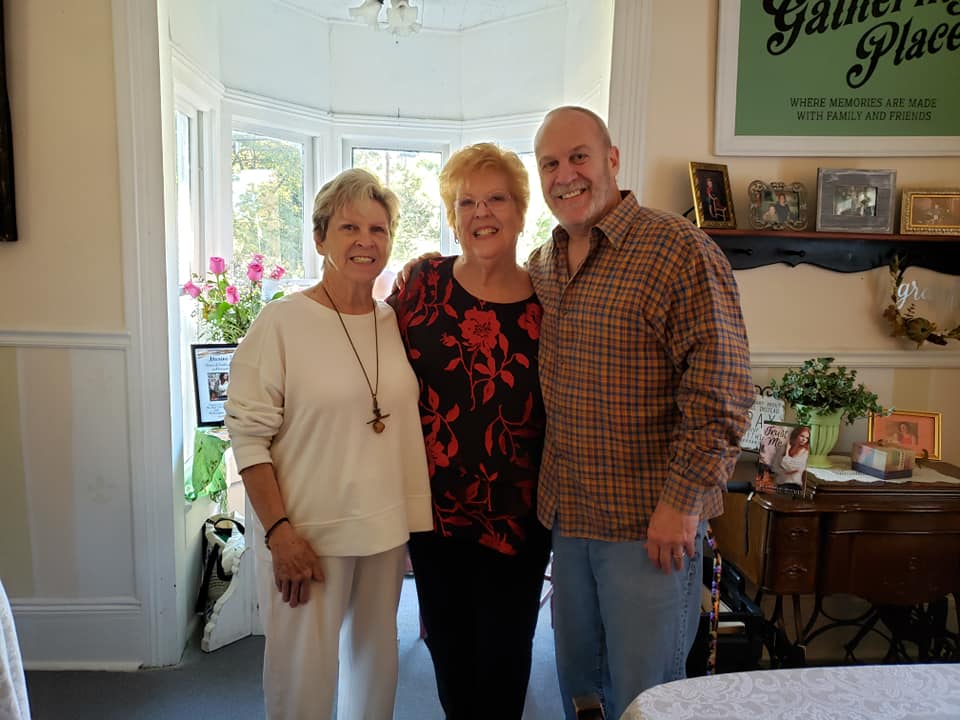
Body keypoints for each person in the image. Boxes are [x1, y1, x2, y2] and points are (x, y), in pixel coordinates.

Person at [529, 106, 753, 720]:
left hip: (649, 527)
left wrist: (682, 504)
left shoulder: (678, 250)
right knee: (581, 684)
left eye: (579, 157)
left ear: (612, 159)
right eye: (550, 163)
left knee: (647, 694)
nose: (565, 175)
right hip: (570, 518)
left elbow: (722, 388)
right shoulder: (543, 265)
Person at [224, 168, 432, 720]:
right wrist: (278, 532)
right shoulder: (282, 322)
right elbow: (248, 436)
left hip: (383, 531)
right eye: (348, 228)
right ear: (320, 239)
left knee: (375, 670)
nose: (366, 241)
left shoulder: (394, 320)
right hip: (308, 535)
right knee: (302, 681)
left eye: (379, 229)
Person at [388, 143, 551, 719]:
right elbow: (367, 359)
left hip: (519, 517)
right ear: (453, 215)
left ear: (521, 210)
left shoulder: (549, 303)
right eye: (467, 202)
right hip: (433, 514)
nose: (482, 213)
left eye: (496, 199)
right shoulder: (419, 284)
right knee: (452, 659)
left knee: (506, 662)